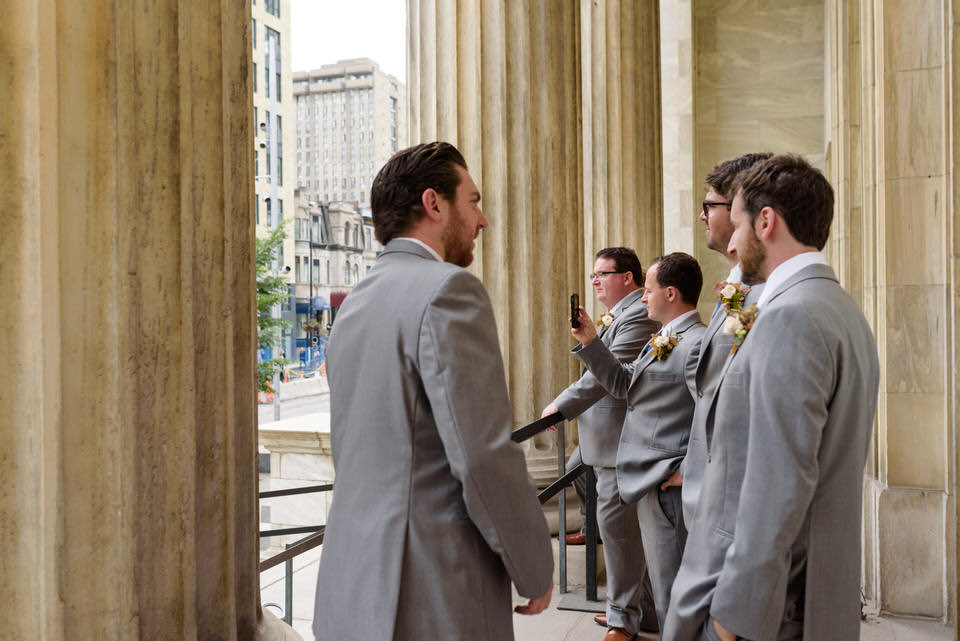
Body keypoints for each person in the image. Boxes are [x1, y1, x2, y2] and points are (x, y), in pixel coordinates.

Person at [312, 142, 554, 641]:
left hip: (352, 581)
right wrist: (532, 564)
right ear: (434, 203)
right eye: (473, 200)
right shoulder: (449, 291)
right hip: (432, 588)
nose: (482, 219)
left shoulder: (352, 306)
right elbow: (482, 455)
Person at [663, 155, 880, 641]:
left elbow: (780, 478)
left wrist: (734, 613)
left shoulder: (790, 316)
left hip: (767, 610)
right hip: (808, 594)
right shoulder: (841, 308)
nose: (733, 243)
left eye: (737, 223)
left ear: (766, 221)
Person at [570, 253, 706, 636]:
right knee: (663, 590)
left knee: (675, 590)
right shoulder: (662, 338)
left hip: (668, 482)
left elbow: (714, 415)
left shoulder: (696, 343)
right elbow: (624, 384)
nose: (643, 298)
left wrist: (688, 470)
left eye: (647, 290)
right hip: (646, 478)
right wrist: (591, 343)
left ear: (671, 292)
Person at [541, 247, 660, 638]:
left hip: (619, 437)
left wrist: (562, 403)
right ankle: (643, 607)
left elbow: (610, 378)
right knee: (579, 477)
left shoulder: (639, 314)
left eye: (601, 274)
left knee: (619, 529)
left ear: (627, 277)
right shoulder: (619, 314)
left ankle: (624, 620)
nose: (594, 282)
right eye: (592, 275)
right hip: (597, 435)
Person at [680, 152, 771, 524]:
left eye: (709, 205)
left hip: (733, 505)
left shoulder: (764, 295)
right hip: (706, 491)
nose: (702, 215)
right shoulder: (735, 287)